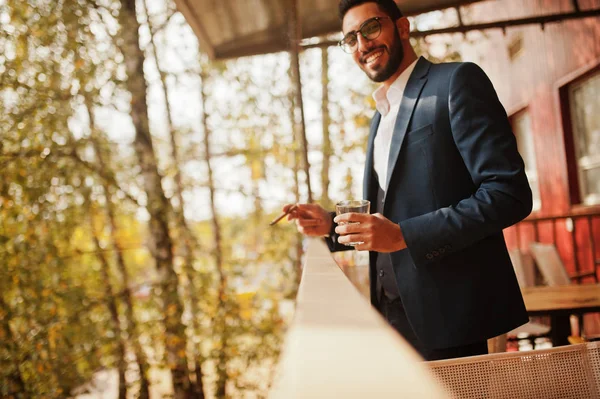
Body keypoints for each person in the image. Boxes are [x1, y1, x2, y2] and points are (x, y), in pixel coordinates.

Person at [283, 0, 532, 361]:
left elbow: (508, 193)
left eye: (370, 28)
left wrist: (404, 236)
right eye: (350, 38)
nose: (362, 44)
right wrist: (329, 226)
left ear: (402, 27)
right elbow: (393, 210)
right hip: (389, 314)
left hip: (450, 316)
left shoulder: (456, 82)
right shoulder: (379, 117)